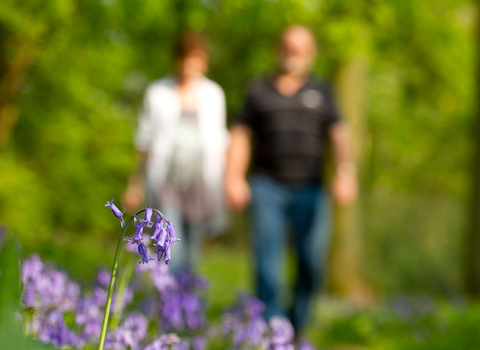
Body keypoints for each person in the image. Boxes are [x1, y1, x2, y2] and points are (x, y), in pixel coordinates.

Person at [225, 25, 358, 332]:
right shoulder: (258, 89)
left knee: (312, 263)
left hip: (311, 190)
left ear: (310, 54)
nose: (291, 53)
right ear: (278, 49)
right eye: (286, 46)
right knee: (266, 264)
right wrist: (233, 177)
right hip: (266, 187)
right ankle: (272, 330)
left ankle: (296, 328)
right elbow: (241, 135)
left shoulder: (323, 91)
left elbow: (339, 136)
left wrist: (346, 174)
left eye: (299, 48)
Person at [122, 32, 229, 272]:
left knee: (194, 250)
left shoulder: (213, 95)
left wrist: (225, 186)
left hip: (201, 183)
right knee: (170, 244)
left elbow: (221, 143)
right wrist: (135, 183)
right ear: (176, 60)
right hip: (166, 181)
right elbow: (144, 141)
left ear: (204, 62)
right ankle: (166, 294)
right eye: (185, 58)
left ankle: (187, 301)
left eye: (196, 58)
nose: (189, 65)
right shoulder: (157, 92)